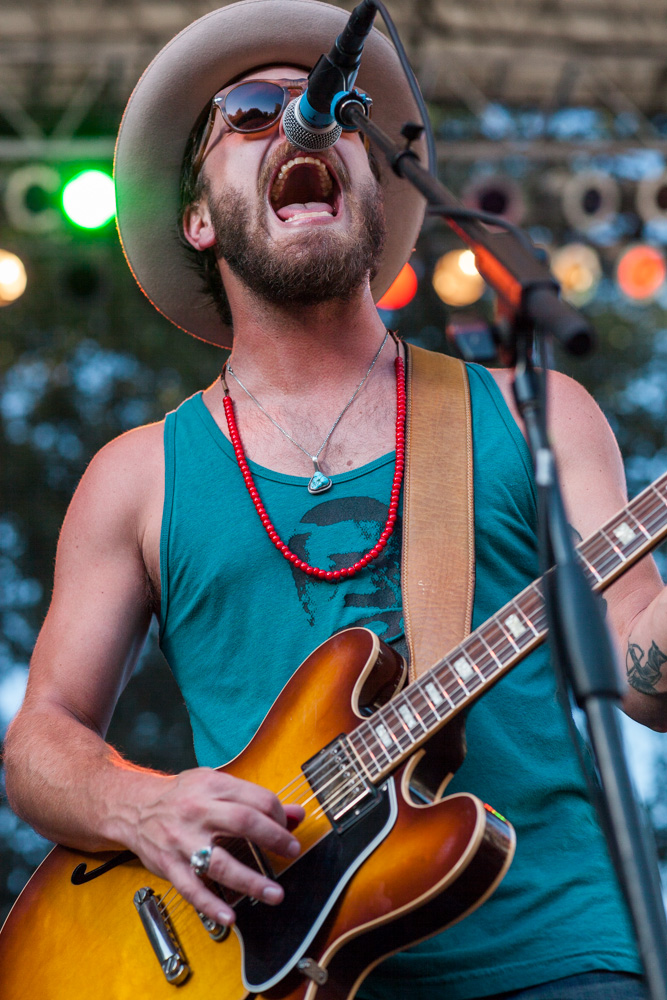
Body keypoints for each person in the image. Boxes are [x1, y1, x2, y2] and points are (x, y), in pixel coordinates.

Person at [4, 2, 667, 998]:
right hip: (270, 971)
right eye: (251, 113)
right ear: (196, 216)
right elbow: (38, 745)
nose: (304, 124)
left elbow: (643, 670)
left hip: (558, 954)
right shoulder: (140, 474)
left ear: (370, 180)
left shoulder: (532, 411)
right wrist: (144, 805)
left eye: (338, 113)